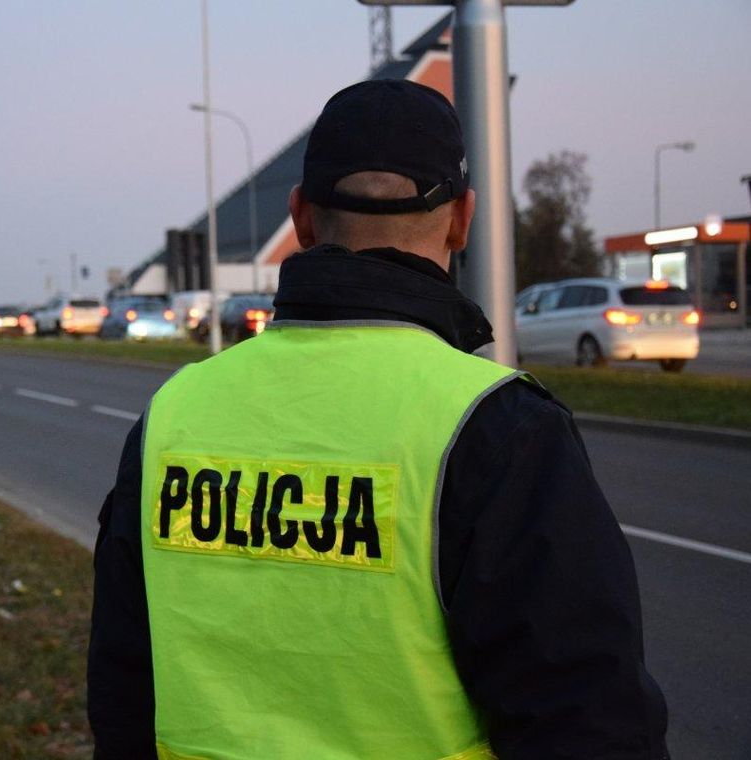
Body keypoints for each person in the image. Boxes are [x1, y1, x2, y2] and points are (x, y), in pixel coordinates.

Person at [88, 79, 668, 759]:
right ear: (461, 219)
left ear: (302, 220)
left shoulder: (175, 415)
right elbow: (589, 724)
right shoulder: (497, 427)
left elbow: (122, 697)